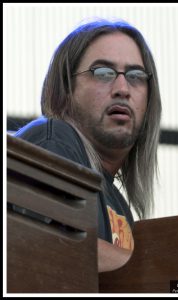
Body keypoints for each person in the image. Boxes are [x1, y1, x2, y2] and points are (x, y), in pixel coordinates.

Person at [14, 18, 162, 272]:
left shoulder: (119, 205)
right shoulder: (53, 139)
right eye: (103, 73)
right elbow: (45, 245)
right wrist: (157, 269)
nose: (122, 88)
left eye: (136, 76)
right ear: (65, 90)